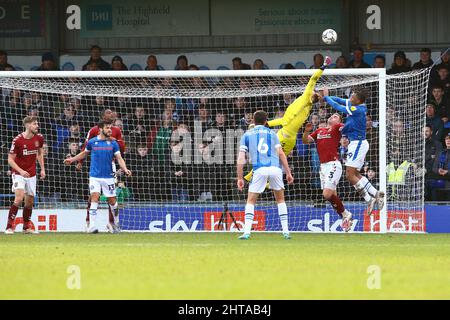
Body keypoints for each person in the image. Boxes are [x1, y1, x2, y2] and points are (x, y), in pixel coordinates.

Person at [244, 56, 332, 183]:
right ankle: (254, 176)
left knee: (276, 159)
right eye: (315, 92)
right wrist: (323, 66)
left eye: (316, 94)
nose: (314, 92)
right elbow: (314, 78)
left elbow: (284, 120)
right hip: (283, 134)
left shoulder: (308, 109)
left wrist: (266, 124)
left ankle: (266, 180)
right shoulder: (306, 96)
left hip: (290, 139)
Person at [321, 88, 385, 215]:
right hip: (356, 143)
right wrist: (325, 97)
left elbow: (339, 107)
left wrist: (327, 98)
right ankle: (375, 193)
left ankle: (369, 199)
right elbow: (340, 100)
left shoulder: (358, 109)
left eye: (353, 97)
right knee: (355, 173)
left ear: (359, 100)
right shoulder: (354, 104)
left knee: (349, 175)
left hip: (358, 143)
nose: (350, 98)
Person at [64, 120, 132, 233]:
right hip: (94, 176)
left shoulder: (113, 143)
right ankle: (92, 226)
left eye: (110, 128)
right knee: (95, 197)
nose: (110, 130)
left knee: (113, 201)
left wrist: (125, 169)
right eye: (107, 128)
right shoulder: (92, 142)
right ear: (100, 129)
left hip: (109, 177)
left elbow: (119, 158)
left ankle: (116, 223)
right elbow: (84, 153)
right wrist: (72, 160)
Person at [237, 110, 294, 240]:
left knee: (251, 201)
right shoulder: (273, 134)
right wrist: (288, 172)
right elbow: (281, 154)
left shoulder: (247, 134)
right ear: (266, 121)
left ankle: (246, 232)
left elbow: (241, 158)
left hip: (259, 169)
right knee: (280, 200)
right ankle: (286, 231)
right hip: (275, 169)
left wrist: (240, 177)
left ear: (253, 121)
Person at [302, 114, 354, 231]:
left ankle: (346, 214)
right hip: (323, 167)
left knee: (326, 194)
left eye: (336, 116)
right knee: (331, 196)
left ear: (339, 121)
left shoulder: (337, 128)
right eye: (331, 116)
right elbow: (306, 141)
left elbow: (347, 127)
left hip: (333, 164)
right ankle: (345, 217)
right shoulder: (320, 130)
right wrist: (306, 131)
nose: (332, 117)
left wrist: (351, 116)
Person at [77, 109, 126, 232]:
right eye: (108, 113)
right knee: (94, 196)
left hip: (111, 165)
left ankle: (111, 223)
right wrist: (79, 162)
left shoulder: (116, 130)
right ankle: (89, 222)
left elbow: (121, 148)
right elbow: (86, 146)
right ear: (103, 116)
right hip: (96, 165)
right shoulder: (94, 130)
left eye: (112, 112)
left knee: (111, 196)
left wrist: (123, 167)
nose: (111, 114)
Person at [5, 116, 45, 234]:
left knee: (29, 201)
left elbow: (39, 153)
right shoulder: (17, 140)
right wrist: (21, 171)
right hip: (18, 173)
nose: (37, 126)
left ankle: (26, 227)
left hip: (32, 174)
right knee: (19, 198)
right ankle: (9, 227)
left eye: (37, 123)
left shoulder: (39, 138)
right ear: (27, 125)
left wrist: (42, 169)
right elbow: (10, 160)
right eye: (34, 124)